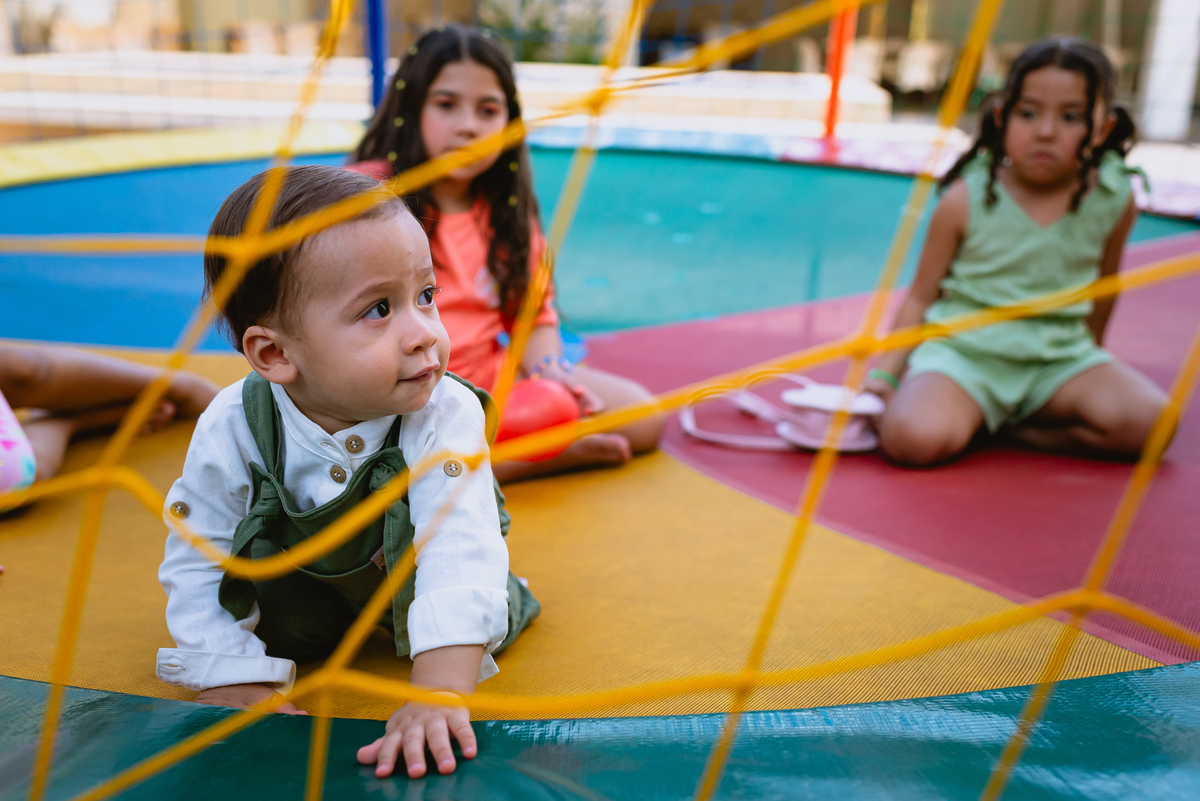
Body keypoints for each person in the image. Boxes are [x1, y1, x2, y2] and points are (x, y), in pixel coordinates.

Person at [156, 165, 539, 779]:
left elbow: (459, 544)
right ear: (275, 354)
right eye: (379, 309)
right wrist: (229, 673)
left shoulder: (443, 410)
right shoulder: (233, 424)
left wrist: (439, 692)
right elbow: (199, 551)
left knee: (491, 608)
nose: (425, 335)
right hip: (304, 596)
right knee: (271, 621)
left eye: (426, 296)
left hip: (414, 578)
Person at [351, 24, 664, 482]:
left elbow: (532, 316)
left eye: (488, 110)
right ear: (411, 108)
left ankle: (484, 462)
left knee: (643, 418)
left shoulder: (505, 211)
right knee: (377, 457)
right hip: (398, 386)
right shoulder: (370, 193)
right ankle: (516, 462)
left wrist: (551, 373)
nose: (468, 126)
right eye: (446, 104)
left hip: (489, 383)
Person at [864, 39, 1169, 467]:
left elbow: (1104, 287)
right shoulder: (966, 198)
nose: (1045, 132)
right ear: (1001, 117)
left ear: (1102, 129)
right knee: (911, 439)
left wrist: (1092, 364)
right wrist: (884, 376)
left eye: (1070, 117)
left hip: (1057, 362)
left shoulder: (1112, 197)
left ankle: (1007, 430)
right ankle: (972, 413)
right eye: (1028, 113)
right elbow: (920, 295)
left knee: (1154, 424)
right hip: (966, 359)